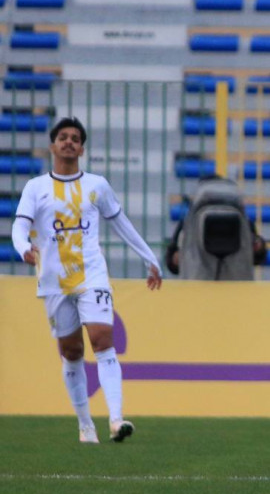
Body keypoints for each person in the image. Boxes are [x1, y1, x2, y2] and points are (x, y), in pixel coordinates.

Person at [12, 117, 163, 444]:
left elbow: (122, 224)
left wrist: (150, 259)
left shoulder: (96, 185)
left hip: (91, 274)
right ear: (53, 146)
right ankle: (85, 424)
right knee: (71, 350)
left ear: (82, 148)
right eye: (63, 137)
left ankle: (116, 419)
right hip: (53, 280)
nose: (69, 142)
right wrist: (24, 247)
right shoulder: (35, 187)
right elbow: (19, 227)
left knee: (102, 340)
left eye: (75, 138)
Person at [164, 176, 267, 279]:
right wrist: (258, 247)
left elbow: (172, 263)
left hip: (198, 286)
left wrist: (179, 256)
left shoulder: (189, 221)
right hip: (235, 286)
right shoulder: (244, 220)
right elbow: (257, 258)